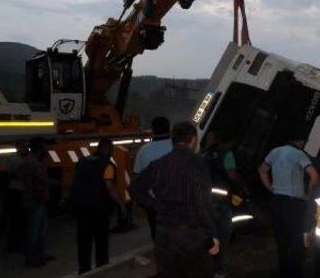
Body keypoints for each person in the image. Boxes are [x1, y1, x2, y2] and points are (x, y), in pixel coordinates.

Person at [130, 122, 219, 278]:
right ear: (193, 140)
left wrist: (156, 205)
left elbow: (134, 188)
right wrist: (212, 234)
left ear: (173, 140)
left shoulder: (159, 164)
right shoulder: (198, 164)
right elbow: (203, 202)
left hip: (165, 235)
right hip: (193, 235)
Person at [258, 138, 319, 278]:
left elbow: (262, 170)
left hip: (277, 201)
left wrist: (271, 187)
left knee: (282, 241)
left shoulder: (275, 152)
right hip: (294, 203)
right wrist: (309, 196)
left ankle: (284, 272)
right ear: (301, 142)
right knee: (297, 241)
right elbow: (314, 175)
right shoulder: (299, 154)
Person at [70, 138, 122, 274]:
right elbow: (109, 187)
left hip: (80, 207)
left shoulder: (83, 161)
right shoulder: (108, 164)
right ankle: (101, 269)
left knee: (83, 242)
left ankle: (84, 270)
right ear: (109, 149)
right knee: (101, 241)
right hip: (99, 209)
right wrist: (120, 204)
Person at [203, 131, 247, 278]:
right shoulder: (227, 154)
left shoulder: (206, 154)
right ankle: (218, 270)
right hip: (221, 202)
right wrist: (241, 188)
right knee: (222, 236)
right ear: (230, 142)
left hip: (205, 200)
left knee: (208, 235)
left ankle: (206, 268)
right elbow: (232, 175)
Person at [133, 116, 172, 240]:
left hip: (153, 202)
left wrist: (138, 203)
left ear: (152, 130)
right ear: (169, 129)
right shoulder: (176, 147)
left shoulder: (144, 150)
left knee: (157, 235)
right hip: (176, 200)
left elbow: (137, 177)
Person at [20, 138, 53, 267]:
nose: (47, 149)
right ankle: (32, 258)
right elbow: (41, 180)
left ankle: (40, 255)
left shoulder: (33, 161)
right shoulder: (33, 162)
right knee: (34, 231)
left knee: (40, 229)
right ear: (39, 148)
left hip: (38, 199)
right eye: (45, 147)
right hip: (34, 200)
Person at [6, 140, 28, 253]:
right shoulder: (16, 160)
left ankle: (15, 243)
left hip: (17, 191)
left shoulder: (17, 159)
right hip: (17, 191)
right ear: (18, 147)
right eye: (24, 146)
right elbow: (15, 174)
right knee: (17, 219)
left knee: (17, 219)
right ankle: (15, 244)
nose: (26, 149)